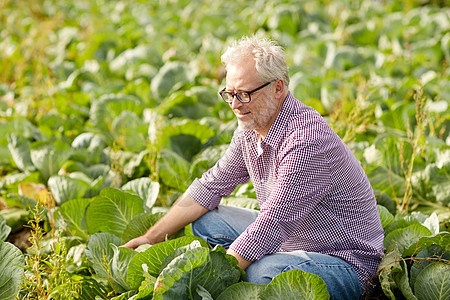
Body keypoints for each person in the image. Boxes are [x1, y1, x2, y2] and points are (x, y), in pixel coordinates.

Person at [123, 36, 385, 299]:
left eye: (245, 94)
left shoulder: (307, 141)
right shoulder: (252, 127)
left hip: (343, 260)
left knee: (263, 274)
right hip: (292, 241)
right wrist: (151, 237)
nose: (235, 105)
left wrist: (209, 279)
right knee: (206, 222)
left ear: (278, 88)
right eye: (230, 94)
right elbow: (211, 185)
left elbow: (273, 223)